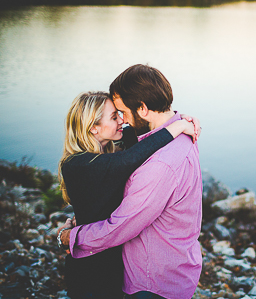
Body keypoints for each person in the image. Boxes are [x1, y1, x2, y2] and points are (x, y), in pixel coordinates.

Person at [61, 64, 203, 299]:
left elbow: (120, 226)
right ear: (93, 128)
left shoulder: (159, 162)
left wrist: (71, 237)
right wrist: (178, 122)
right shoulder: (83, 163)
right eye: (115, 116)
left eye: (122, 113)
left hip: (151, 281)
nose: (122, 121)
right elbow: (131, 156)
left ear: (143, 109)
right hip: (99, 271)